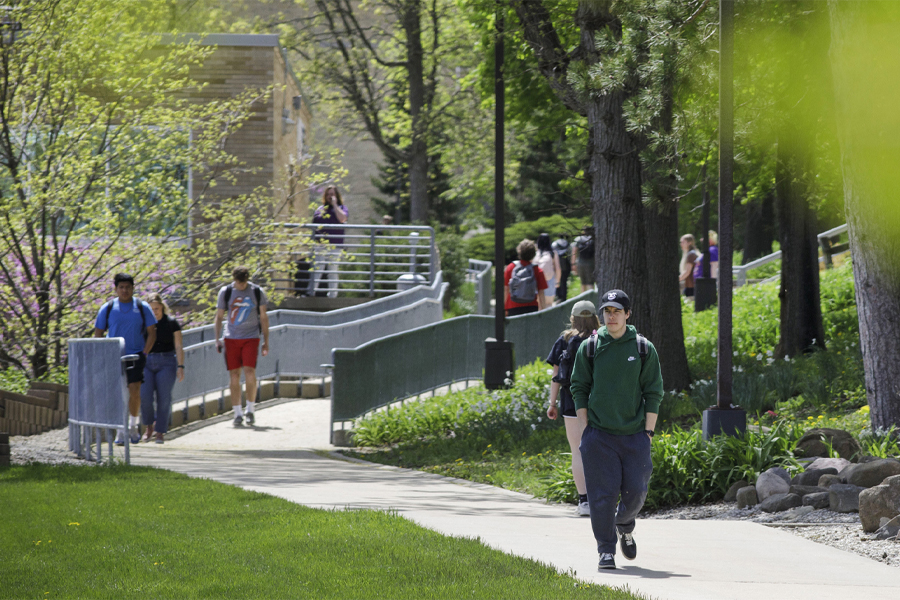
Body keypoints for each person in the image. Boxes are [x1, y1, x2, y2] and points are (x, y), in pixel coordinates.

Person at [570, 289, 664, 571]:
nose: (611, 317)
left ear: (628, 314)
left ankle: (624, 524)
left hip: (635, 435)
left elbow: (653, 392)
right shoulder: (590, 346)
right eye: (607, 312)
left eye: (617, 311)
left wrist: (648, 432)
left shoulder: (643, 348)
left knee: (636, 491)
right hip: (599, 435)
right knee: (602, 496)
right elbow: (579, 387)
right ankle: (606, 550)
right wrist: (586, 428)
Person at [546, 300, 601, 517]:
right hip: (598, 401)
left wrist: (552, 404)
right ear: (595, 318)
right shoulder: (600, 339)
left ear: (572, 318)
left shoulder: (564, 340)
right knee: (600, 449)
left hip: (571, 402)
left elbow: (556, 376)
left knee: (577, 450)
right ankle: (601, 498)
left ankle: (584, 501)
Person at [94, 273, 157, 445]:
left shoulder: (142, 307)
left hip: (136, 354)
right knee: (118, 393)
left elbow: (152, 332)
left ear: (132, 288)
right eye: (121, 287)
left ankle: (133, 426)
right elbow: (98, 332)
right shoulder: (107, 308)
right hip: (113, 354)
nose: (124, 290)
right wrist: (103, 352)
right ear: (116, 289)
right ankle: (120, 431)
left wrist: (144, 352)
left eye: (127, 287)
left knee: (134, 390)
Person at [214, 266, 270, 427]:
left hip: (251, 337)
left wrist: (266, 340)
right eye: (239, 283)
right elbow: (218, 316)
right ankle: (237, 412)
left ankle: (250, 410)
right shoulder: (226, 292)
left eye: (244, 282)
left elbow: (264, 317)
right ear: (234, 280)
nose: (241, 286)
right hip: (231, 337)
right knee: (234, 375)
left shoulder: (256, 291)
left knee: (250, 372)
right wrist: (217, 339)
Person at [140, 293, 184, 444]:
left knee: (164, 398)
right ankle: (149, 426)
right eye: (151, 309)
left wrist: (180, 365)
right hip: (146, 362)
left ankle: (160, 431)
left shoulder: (171, 323)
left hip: (166, 362)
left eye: (157, 308)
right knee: (145, 397)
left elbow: (178, 345)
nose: (155, 312)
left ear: (162, 308)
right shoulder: (143, 323)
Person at [308, 185, 349, 298]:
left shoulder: (342, 207)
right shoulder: (320, 209)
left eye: (332, 194)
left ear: (337, 196)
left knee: (332, 270)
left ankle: (332, 295)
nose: (330, 197)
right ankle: (310, 293)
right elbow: (314, 226)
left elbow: (342, 219)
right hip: (320, 245)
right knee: (317, 269)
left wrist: (335, 205)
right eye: (328, 194)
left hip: (335, 245)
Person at [504, 239, 548, 316]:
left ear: (519, 252)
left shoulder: (510, 268)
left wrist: (504, 308)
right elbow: (541, 292)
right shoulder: (537, 270)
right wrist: (543, 310)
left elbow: (506, 289)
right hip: (531, 306)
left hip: (513, 306)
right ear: (533, 254)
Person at [535, 233, 561, 309]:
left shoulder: (535, 254)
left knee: (539, 305)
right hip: (550, 280)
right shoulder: (552, 253)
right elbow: (558, 268)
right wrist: (557, 281)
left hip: (537, 282)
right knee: (549, 304)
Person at [572, 226, 595, 292]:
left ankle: (582, 298)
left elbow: (574, 251)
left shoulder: (579, 239)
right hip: (591, 262)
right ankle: (591, 297)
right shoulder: (593, 239)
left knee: (583, 282)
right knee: (590, 282)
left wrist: (573, 264)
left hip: (581, 262)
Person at [678, 234, 700, 300]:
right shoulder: (691, 253)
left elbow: (687, 272)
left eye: (683, 242)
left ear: (689, 243)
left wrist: (676, 280)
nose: (681, 244)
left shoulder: (691, 255)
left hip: (691, 286)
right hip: (690, 286)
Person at [551, 233, 571, 302]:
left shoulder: (554, 244)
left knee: (557, 281)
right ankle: (564, 297)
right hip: (566, 265)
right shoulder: (567, 244)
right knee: (564, 281)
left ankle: (558, 296)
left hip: (557, 265)